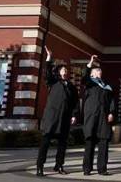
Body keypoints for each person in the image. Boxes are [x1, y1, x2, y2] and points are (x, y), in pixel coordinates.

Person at [37, 47, 79, 176]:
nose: (65, 71)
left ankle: (59, 165)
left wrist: (74, 115)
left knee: (62, 144)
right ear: (59, 72)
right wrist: (49, 58)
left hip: (64, 118)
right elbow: (47, 74)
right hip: (51, 118)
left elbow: (75, 102)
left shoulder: (71, 86)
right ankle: (40, 166)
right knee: (45, 142)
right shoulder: (53, 82)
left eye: (66, 70)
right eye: (63, 70)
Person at [81, 55, 116, 176]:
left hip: (104, 117)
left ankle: (102, 168)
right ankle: (87, 168)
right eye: (96, 70)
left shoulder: (106, 85)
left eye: (100, 70)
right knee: (90, 143)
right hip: (91, 117)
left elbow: (112, 100)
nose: (99, 71)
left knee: (104, 143)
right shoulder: (89, 83)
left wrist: (111, 112)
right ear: (92, 74)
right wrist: (90, 63)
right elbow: (84, 77)